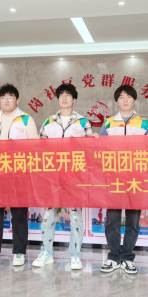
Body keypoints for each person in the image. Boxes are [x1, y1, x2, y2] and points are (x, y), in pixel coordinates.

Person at [32, 83, 94, 271]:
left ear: (74, 99)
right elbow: (40, 148)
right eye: (61, 95)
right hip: (52, 176)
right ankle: (46, 252)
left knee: (75, 215)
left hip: (75, 176)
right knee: (49, 214)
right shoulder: (48, 122)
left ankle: (75, 255)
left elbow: (90, 150)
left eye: (68, 95)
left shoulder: (83, 122)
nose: (64, 98)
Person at [0, 84, 38, 267]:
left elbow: (36, 145)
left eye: (10, 97)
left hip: (18, 172)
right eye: (3, 97)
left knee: (19, 213)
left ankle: (19, 251)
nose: (6, 100)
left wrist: (17, 146)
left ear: (17, 100)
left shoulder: (26, 119)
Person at [96, 85, 148, 275]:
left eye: (129, 97)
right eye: (121, 97)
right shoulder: (108, 123)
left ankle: (128, 257)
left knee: (133, 221)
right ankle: (114, 257)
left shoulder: (144, 124)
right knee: (112, 220)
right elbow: (100, 149)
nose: (125, 100)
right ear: (116, 101)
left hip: (135, 179)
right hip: (114, 178)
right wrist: (95, 140)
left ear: (134, 100)